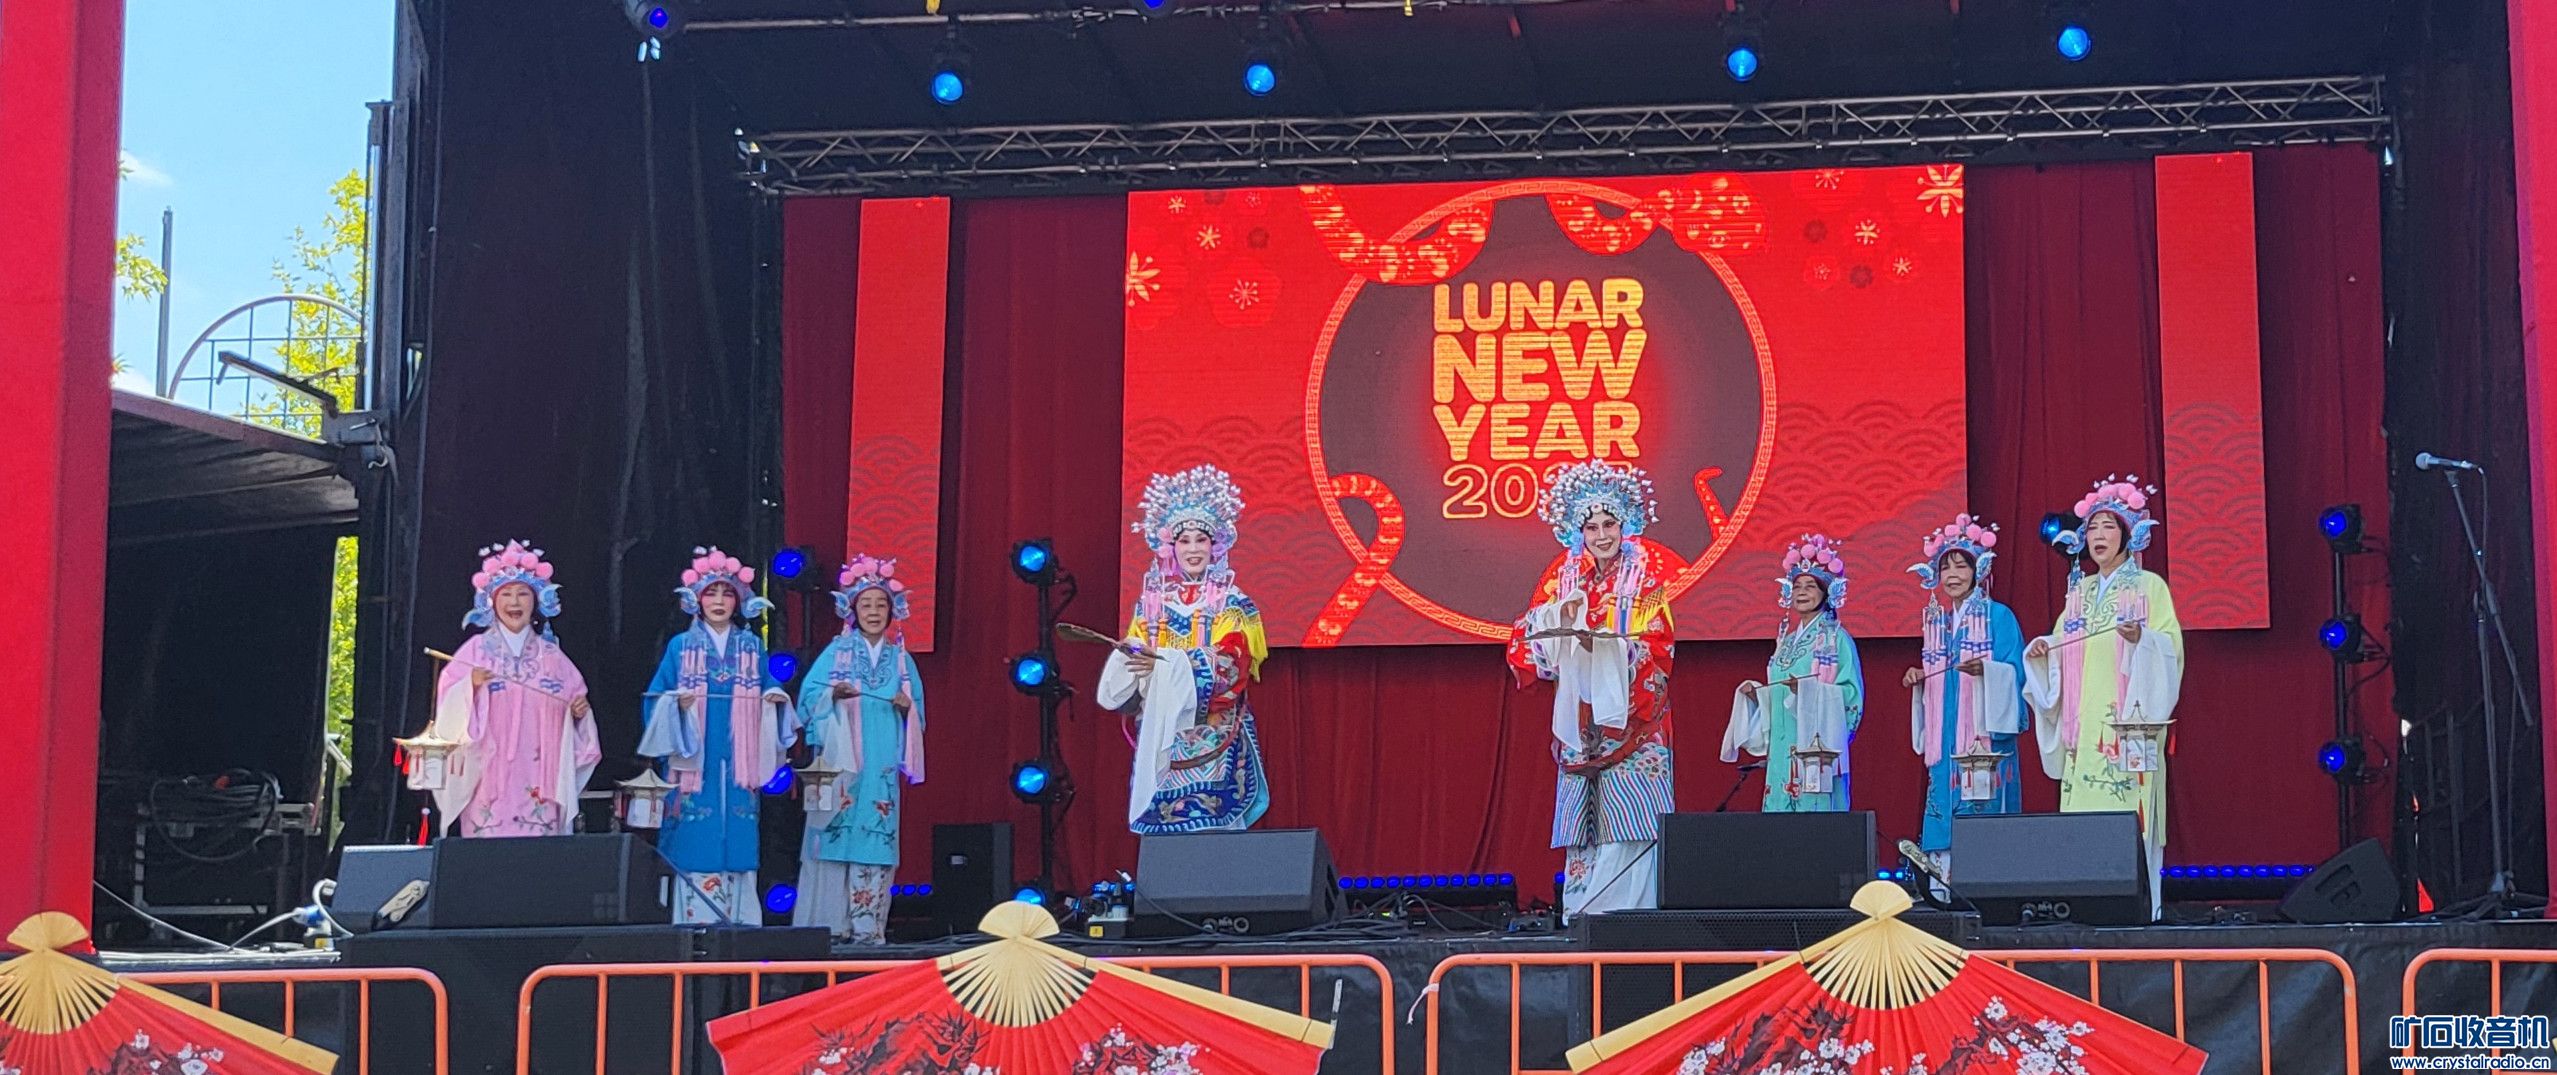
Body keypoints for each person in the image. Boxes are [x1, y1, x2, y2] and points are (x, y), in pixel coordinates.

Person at [1506, 460, 1678, 920]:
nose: (1602, 535)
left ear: (1625, 526)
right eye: (1592, 527)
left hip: (1633, 722)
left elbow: (1659, 646)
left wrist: (1611, 650)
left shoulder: (1645, 583)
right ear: (1577, 532)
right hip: (1581, 722)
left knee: (1630, 824)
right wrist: (1554, 636)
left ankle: (1628, 917)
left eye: (1609, 524)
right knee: (1584, 831)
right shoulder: (1562, 580)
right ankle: (1582, 914)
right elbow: (1528, 636)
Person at [2024, 477, 2184, 920]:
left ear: (2127, 536)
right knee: (2085, 819)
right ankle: (2087, 904)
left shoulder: (2149, 586)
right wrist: (2043, 651)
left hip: (2125, 722)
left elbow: (2171, 647)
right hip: (2082, 723)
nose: (2098, 536)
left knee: (2127, 816)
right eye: (2092, 528)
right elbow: (2061, 645)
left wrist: (2142, 640)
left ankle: (2136, 909)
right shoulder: (2081, 592)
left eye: (2108, 527)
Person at [1096, 464, 1272, 835]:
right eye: (1184, 541)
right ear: (1170, 548)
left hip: (1213, 730)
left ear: (1215, 545)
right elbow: (1137, 652)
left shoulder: (1232, 602)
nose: (1193, 549)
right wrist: (1132, 659)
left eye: (1201, 540)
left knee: (1218, 835)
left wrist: (1170, 664)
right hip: (1163, 730)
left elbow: (1233, 662)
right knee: (1166, 837)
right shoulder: (1151, 603)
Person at [637, 547, 796, 924]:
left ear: (739, 601)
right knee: (695, 835)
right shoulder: (681, 647)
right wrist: (675, 705)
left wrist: (774, 700)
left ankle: (739, 922)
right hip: (696, 760)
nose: (720, 601)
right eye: (711, 593)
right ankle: (696, 923)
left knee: (738, 834)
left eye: (727, 594)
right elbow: (654, 699)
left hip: (738, 760)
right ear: (697, 600)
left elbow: (769, 687)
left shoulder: (751, 647)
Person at [422, 541, 601, 837]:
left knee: (538, 850)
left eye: (523, 594)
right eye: (506, 594)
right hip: (490, 774)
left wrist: (578, 714)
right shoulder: (475, 651)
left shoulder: (553, 657)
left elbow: (575, 704)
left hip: (539, 773)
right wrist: (470, 687)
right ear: (491, 602)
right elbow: (447, 710)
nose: (514, 602)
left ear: (536, 601)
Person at [793, 554, 925, 944]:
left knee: (875, 836)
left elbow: (918, 713)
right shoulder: (836, 654)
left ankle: (867, 928)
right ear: (852, 610)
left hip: (880, 764)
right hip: (841, 764)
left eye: (880, 604)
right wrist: (833, 694)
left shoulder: (900, 660)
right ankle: (832, 927)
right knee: (835, 835)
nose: (873, 612)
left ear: (891, 611)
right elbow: (807, 700)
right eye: (865, 604)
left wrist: (907, 708)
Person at [1902, 515, 2025, 881]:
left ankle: (1990, 883)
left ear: (1977, 571)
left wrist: (1987, 671)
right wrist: (1921, 679)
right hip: (1946, 737)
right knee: (1943, 801)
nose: (1952, 575)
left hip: (1983, 737)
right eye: (1945, 568)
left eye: (1961, 566)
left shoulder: (1998, 616)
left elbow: (2016, 672)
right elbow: (1939, 678)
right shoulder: (1938, 622)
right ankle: (1942, 884)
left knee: (1982, 806)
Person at [1723, 533, 1865, 812]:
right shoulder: (1786, 642)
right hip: (1782, 745)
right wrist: (1758, 696)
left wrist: (1809, 691)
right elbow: (1777, 693)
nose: (1801, 592)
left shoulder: (1836, 638)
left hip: (1815, 748)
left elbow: (1852, 696)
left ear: (1827, 593)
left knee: (1815, 815)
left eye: (1810, 586)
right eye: (1797, 586)